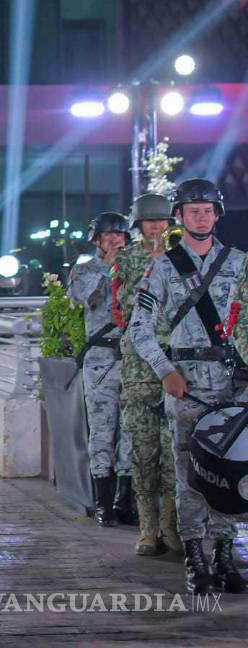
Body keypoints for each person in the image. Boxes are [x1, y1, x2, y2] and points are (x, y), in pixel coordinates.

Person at [129, 178, 247, 595]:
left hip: (234, 385)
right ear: (179, 216)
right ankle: (197, 559)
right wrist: (165, 371)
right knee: (191, 473)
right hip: (187, 385)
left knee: (232, 472)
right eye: (192, 210)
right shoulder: (162, 267)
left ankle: (224, 555)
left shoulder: (239, 263)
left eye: (207, 210)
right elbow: (138, 330)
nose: (200, 216)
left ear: (217, 215)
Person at [111, 193, 181, 556]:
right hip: (140, 363)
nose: (157, 226)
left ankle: (170, 526)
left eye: (163, 221)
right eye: (150, 221)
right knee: (142, 447)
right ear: (138, 225)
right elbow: (124, 304)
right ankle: (146, 528)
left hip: (175, 360)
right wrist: (152, 268)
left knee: (173, 449)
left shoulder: (183, 255)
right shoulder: (127, 258)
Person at [66, 212, 133, 527]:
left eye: (120, 236)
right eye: (109, 236)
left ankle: (126, 500)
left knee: (132, 432)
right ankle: (103, 501)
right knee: (103, 430)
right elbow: (83, 297)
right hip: (101, 361)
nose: (116, 241)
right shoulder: (84, 270)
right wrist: (110, 267)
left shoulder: (136, 268)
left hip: (132, 358)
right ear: (96, 240)